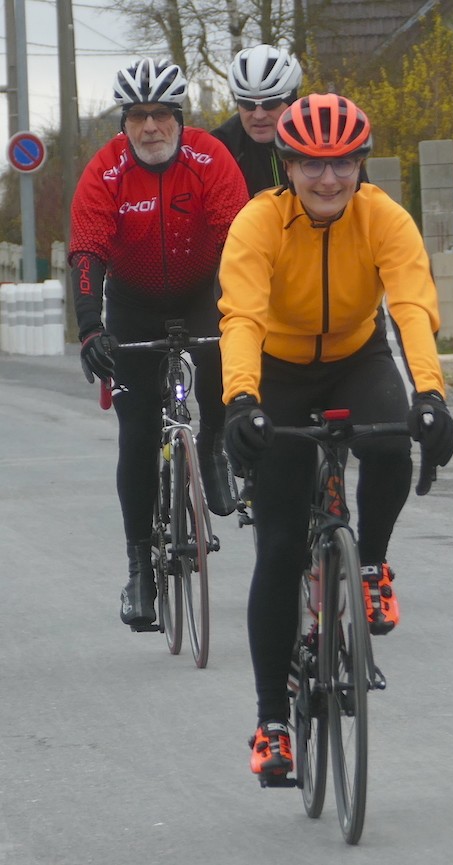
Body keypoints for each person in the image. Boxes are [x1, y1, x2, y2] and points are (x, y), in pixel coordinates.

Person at [217, 93, 453, 780]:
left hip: (356, 355)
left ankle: (372, 563)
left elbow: (411, 306)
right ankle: (272, 723)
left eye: (343, 164)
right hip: (279, 368)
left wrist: (432, 394)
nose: (328, 179)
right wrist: (241, 401)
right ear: (288, 166)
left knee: (391, 441)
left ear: (361, 164)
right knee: (280, 547)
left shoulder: (384, 217)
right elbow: (242, 317)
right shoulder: (259, 222)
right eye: (313, 165)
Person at [70, 58, 250, 629]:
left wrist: (245, 312)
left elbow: (238, 241)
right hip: (133, 305)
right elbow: (87, 250)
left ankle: (214, 444)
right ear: (123, 122)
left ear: (179, 117)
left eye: (161, 115)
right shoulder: (106, 170)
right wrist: (91, 328)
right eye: (137, 116)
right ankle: (138, 571)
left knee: (225, 368)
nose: (150, 127)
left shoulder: (209, 158)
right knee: (138, 433)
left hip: (201, 292)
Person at [211, 44, 303, 196]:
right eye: (247, 104)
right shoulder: (221, 147)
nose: (259, 115)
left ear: (291, 102)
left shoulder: (318, 134)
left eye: (270, 104)